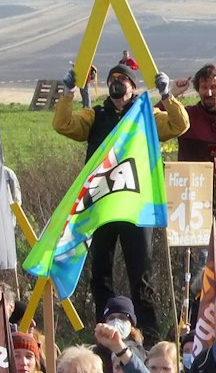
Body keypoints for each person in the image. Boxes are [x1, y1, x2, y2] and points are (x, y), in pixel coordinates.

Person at [50, 59, 188, 333]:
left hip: (136, 204)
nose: (116, 83)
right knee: (100, 269)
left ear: (132, 86)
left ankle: (147, 331)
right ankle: (104, 326)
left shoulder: (146, 115)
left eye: (121, 79)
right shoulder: (95, 116)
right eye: (112, 79)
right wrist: (67, 94)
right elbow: (64, 125)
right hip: (101, 203)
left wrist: (166, 95)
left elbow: (178, 125)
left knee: (141, 269)